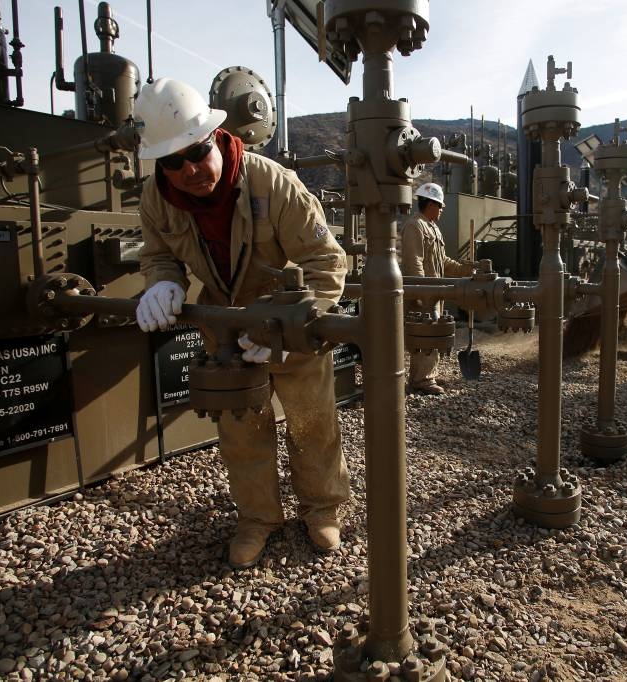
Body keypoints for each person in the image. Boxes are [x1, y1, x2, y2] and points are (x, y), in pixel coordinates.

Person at [132, 78, 350, 569]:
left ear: (216, 136)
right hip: (226, 329)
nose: (188, 169)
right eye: (171, 162)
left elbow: (325, 260)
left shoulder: (270, 183)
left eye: (195, 152)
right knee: (241, 431)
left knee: (311, 421)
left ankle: (322, 508)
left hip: (290, 324)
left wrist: (290, 326)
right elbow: (158, 254)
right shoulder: (157, 197)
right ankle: (257, 517)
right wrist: (162, 282)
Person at [400, 182, 475, 395]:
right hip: (425, 293)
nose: (442, 209)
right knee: (426, 333)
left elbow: (444, 261)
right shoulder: (415, 226)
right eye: (440, 205)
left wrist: (464, 269)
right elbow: (414, 262)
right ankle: (421, 381)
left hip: (434, 292)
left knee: (432, 334)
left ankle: (426, 375)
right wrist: (423, 292)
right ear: (430, 203)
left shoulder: (432, 227)